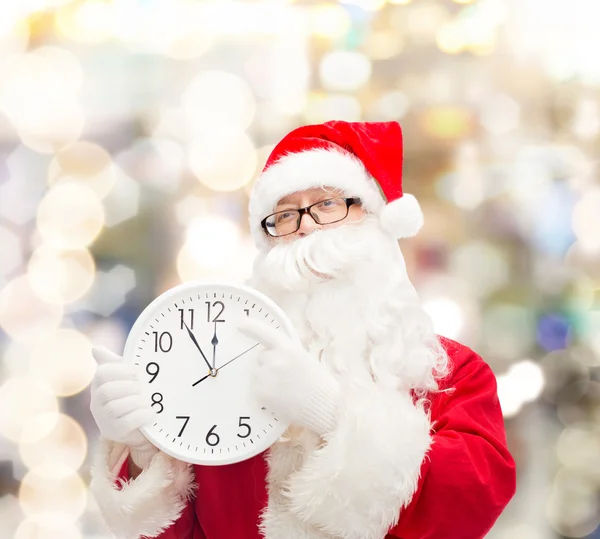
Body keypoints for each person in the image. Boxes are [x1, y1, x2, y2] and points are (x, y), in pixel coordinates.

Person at [89, 120, 516, 539]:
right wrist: (143, 450)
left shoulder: (452, 374)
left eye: (328, 204)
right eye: (287, 215)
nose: (307, 225)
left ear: (375, 218)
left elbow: (470, 502)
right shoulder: (222, 379)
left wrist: (330, 415)